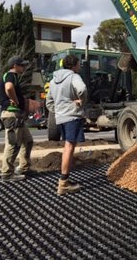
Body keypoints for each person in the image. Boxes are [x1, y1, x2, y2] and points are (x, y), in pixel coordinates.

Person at [45, 54, 88, 195]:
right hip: (72, 117)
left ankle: (64, 180)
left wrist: (59, 111)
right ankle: (63, 184)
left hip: (60, 118)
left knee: (67, 146)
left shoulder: (53, 81)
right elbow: (82, 89)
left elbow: (48, 102)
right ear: (74, 65)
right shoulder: (74, 77)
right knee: (69, 147)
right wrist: (81, 102)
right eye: (79, 65)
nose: (79, 67)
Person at [0, 55, 34, 182]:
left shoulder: (14, 77)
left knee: (28, 140)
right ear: (15, 66)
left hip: (16, 116)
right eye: (22, 65)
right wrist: (14, 100)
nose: (24, 67)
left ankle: (24, 168)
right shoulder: (10, 76)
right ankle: (7, 173)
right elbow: (8, 88)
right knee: (13, 144)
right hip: (12, 115)